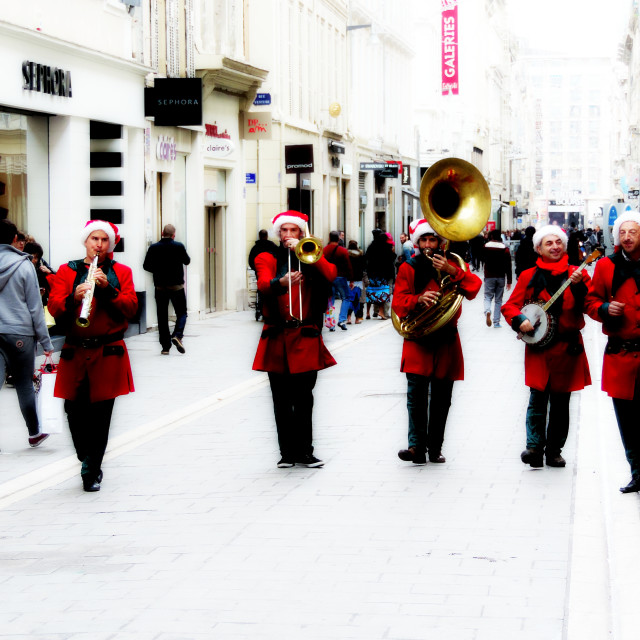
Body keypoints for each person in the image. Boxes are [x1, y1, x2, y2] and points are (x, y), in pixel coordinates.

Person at [48, 220, 137, 492]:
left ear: (110, 244)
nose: (98, 244)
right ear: (85, 242)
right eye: (93, 239)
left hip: (108, 352)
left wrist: (108, 289)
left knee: (101, 414)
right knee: (73, 410)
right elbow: (53, 307)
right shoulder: (68, 270)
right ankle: (87, 457)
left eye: (103, 240)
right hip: (76, 350)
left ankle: (91, 471)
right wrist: (74, 298)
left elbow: (132, 308)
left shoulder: (121, 272)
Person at [252, 210, 337, 468]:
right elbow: (263, 284)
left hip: (305, 334)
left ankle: (306, 452)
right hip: (277, 335)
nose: (289, 235)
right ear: (279, 233)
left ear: (302, 233)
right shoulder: (267, 256)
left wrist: (310, 252)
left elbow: (331, 274)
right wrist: (282, 281)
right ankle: (286, 454)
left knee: (304, 397)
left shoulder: (310, 255)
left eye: (294, 231)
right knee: (280, 398)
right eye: (285, 231)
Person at [502, 225, 592, 469]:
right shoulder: (527, 275)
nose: (554, 246)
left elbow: (589, 304)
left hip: (567, 347)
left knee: (561, 402)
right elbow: (510, 306)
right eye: (548, 243)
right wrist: (521, 321)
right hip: (539, 348)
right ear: (538, 248)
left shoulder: (578, 273)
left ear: (564, 246)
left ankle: (554, 451)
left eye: (558, 242)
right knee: (537, 398)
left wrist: (579, 286)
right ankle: (534, 447)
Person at [393, 219, 482, 465]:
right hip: (419, 340)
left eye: (433, 240)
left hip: (446, 341)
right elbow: (398, 303)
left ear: (441, 242)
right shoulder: (408, 268)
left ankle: (435, 449)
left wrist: (454, 272)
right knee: (415, 397)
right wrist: (418, 299)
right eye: (424, 240)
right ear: (417, 243)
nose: (429, 245)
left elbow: (474, 289)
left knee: (442, 398)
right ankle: (415, 447)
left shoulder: (454, 264)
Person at [585, 212, 640, 493]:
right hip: (620, 356)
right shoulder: (606, 266)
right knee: (627, 422)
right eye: (622, 232)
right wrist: (605, 310)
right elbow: (591, 300)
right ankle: (637, 472)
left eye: (633, 232)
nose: (627, 237)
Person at [0, 219, 53, 447]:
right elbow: (35, 308)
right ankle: (34, 432)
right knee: (23, 383)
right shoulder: (24, 266)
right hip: (20, 333)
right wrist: (47, 344)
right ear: (14, 239)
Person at [143, 224, 191, 355]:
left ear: (162, 232)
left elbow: (146, 265)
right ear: (173, 235)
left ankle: (165, 347)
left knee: (162, 316)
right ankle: (177, 335)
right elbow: (187, 261)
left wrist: (158, 270)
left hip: (160, 287)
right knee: (182, 313)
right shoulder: (178, 246)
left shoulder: (153, 248)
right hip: (177, 287)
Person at [323, 230, 353, 330]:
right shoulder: (343, 251)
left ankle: (331, 324)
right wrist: (351, 280)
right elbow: (348, 266)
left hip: (328, 277)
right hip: (340, 277)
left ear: (329, 238)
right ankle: (342, 320)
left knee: (330, 300)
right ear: (339, 239)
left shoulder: (324, 250)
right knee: (346, 297)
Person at [482, 229, 512, 328]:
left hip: (489, 276)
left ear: (491, 236)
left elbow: (482, 259)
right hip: (501, 277)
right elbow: (508, 265)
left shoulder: (486, 247)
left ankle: (487, 311)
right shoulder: (505, 248)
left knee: (487, 297)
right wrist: (509, 281)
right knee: (498, 300)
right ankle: (496, 322)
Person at [364, 229, 396, 320]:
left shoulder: (371, 246)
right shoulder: (386, 247)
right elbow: (391, 259)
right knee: (384, 292)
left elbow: (367, 258)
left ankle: (375, 311)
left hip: (373, 273)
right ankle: (384, 312)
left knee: (374, 291)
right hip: (385, 273)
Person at [248, 229, 278, 321]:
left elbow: (250, 261)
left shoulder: (255, 248)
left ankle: (260, 309)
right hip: (272, 272)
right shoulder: (272, 246)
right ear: (267, 236)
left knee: (261, 291)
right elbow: (278, 256)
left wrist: (256, 269)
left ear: (259, 236)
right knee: (271, 290)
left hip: (259, 273)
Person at [346, 239, 365, 324]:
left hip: (348, 280)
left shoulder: (346, 255)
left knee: (349, 299)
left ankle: (348, 318)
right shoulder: (360, 255)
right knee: (357, 300)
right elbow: (364, 267)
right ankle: (357, 319)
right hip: (358, 281)